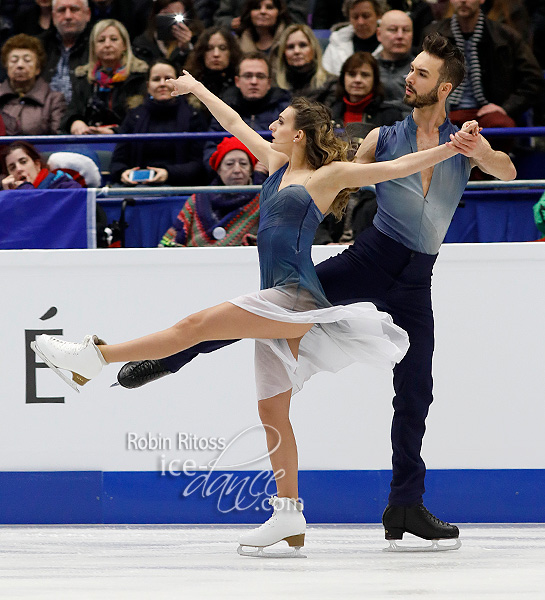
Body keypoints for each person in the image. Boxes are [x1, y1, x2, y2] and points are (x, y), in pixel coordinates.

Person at [30, 47, 479, 556]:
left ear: (301, 134)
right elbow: (234, 120)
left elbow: (398, 164)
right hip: (279, 303)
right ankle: (288, 517)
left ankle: (91, 359)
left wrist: (451, 149)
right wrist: (196, 88)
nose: (270, 129)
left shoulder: (324, 178)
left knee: (195, 324)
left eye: (281, 123)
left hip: (292, 299)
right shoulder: (275, 165)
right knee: (272, 414)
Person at [424, 0, 545, 130]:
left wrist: (505, 107)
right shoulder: (433, 34)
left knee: (500, 125)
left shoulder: (504, 35)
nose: (463, 1)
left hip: (488, 110)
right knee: (431, 126)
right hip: (445, 109)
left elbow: (533, 79)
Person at [110, 59, 206, 186]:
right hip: (137, 186)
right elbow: (117, 161)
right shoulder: (134, 116)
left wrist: (168, 173)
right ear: (148, 86)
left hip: (179, 187)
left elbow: (199, 165)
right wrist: (123, 173)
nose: (162, 84)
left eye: (168, 78)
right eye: (156, 79)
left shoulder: (193, 116)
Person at [159, 136, 264, 246]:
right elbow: (169, 241)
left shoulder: (262, 200)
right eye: (229, 164)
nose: (237, 170)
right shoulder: (198, 199)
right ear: (218, 169)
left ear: (251, 169)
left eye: (243, 164)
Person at [203, 51, 290, 172]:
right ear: (237, 81)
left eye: (260, 76)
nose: (254, 81)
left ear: (269, 83)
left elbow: (295, 150)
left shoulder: (285, 111)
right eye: (248, 76)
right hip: (232, 181)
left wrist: (272, 162)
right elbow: (210, 153)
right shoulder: (223, 109)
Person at [61, 18, 149, 134]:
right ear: (93, 47)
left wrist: (114, 131)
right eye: (101, 40)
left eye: (113, 39)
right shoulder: (84, 78)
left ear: (124, 45)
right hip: (90, 140)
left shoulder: (139, 77)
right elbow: (71, 113)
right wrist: (75, 122)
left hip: (127, 142)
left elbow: (142, 120)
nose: (107, 45)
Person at [0, 34, 67, 135]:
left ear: (38, 69)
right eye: (14, 60)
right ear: (6, 66)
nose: (20, 65)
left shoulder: (53, 100)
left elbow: (57, 140)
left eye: (27, 60)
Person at [329, 52, 403, 130]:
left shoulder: (391, 116)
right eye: (352, 74)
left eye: (365, 75)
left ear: (375, 80)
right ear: (343, 78)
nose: (358, 80)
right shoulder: (330, 113)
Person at [183, 26, 242, 122]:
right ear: (202, 52)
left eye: (222, 48)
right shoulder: (190, 84)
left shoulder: (241, 84)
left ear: (231, 52)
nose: (216, 54)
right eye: (209, 48)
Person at [39, 0, 93, 104]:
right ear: (53, 17)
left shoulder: (99, 44)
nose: (68, 16)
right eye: (61, 10)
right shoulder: (39, 46)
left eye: (74, 9)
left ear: (88, 14)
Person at [271, 24, 337, 105]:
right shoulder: (274, 85)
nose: (297, 51)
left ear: (313, 49)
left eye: (303, 45)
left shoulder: (331, 84)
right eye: (290, 47)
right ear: (283, 53)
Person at [133, 0, 205, 73]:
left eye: (176, 15)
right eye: (166, 14)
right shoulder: (142, 43)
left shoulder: (198, 39)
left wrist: (186, 48)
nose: (170, 20)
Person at [322, 0, 382, 77]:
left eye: (366, 16)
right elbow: (326, 76)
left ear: (378, 16)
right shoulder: (337, 42)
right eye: (355, 17)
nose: (360, 22)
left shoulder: (392, 42)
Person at [375, 9, 415, 118]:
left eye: (406, 30)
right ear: (379, 34)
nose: (400, 36)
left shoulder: (423, 70)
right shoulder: (366, 68)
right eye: (393, 30)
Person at [0, 141, 82, 189]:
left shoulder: (63, 184)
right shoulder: (8, 194)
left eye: (23, 162)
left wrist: (24, 189)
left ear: (37, 164)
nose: (19, 169)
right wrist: (8, 196)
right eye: (12, 167)